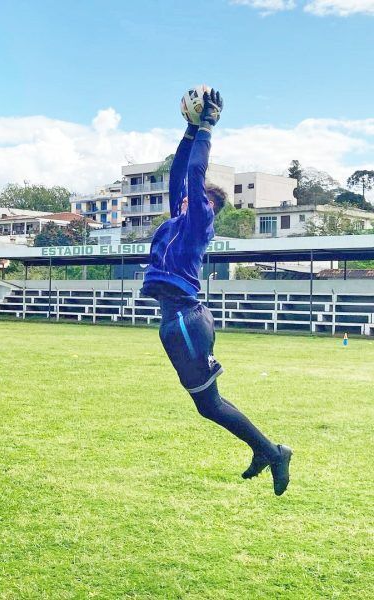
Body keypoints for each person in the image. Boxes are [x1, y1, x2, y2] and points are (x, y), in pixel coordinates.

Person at [141, 89, 292, 496]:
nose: (187, 197)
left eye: (196, 196)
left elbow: (191, 176)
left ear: (207, 206)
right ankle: (267, 451)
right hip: (177, 319)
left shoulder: (197, 223)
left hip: (186, 321)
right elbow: (179, 176)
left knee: (209, 404)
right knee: (206, 405)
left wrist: (206, 129)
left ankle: (273, 451)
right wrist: (189, 130)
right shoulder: (180, 219)